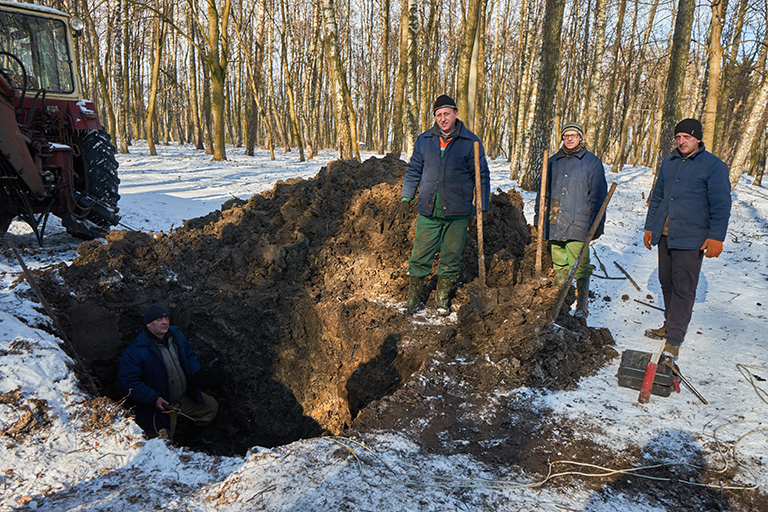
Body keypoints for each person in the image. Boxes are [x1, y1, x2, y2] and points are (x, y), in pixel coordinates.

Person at [643, 118, 731, 359]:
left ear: (698, 139)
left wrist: (716, 237)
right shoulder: (669, 163)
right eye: (679, 137)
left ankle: (674, 338)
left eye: (687, 137)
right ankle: (670, 324)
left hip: (692, 237)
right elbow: (658, 197)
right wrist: (651, 227)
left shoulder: (713, 166)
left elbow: (721, 204)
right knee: (666, 281)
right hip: (665, 235)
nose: (682, 141)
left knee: (683, 286)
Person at [398, 94, 490, 316]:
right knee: (420, 254)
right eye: (438, 115)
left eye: (446, 113)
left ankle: (441, 299)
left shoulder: (471, 142)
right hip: (429, 209)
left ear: (456, 114)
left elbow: (482, 176)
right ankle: (414, 299)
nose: (442, 118)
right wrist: (406, 197)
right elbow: (413, 170)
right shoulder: (424, 140)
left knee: (451, 255)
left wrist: (483, 205)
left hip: (458, 211)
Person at [534, 121, 607, 319]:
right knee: (558, 261)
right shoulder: (552, 161)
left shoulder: (592, 163)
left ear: (581, 138)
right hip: (554, 218)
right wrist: (538, 217)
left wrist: (597, 224)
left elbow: (598, 196)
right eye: (566, 135)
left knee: (580, 263)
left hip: (579, 220)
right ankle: (561, 300)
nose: (570, 138)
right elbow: (543, 193)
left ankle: (582, 306)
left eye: (574, 135)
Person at [118, 304, 220, 440]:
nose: (164, 322)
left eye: (166, 318)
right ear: (149, 324)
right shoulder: (137, 351)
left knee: (210, 407)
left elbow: (189, 354)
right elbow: (127, 382)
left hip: (183, 397)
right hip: (161, 407)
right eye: (159, 319)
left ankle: (192, 437)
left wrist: (196, 374)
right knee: (163, 442)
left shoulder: (175, 335)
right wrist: (153, 398)